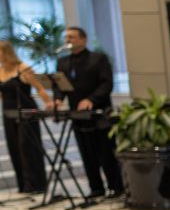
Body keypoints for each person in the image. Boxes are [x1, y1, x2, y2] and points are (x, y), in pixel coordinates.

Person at [54, 26, 123, 199]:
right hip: (77, 115)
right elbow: (60, 86)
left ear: (83, 40)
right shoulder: (63, 62)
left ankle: (115, 186)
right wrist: (58, 99)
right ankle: (96, 188)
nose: (68, 40)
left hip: (99, 113)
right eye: (66, 37)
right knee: (86, 152)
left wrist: (91, 99)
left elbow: (107, 84)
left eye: (72, 37)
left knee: (106, 152)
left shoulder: (97, 59)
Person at [0, 40, 53, 194]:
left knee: (27, 147)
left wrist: (48, 103)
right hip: (8, 113)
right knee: (14, 148)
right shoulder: (1, 70)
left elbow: (40, 88)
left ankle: (35, 184)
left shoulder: (22, 68)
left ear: (6, 52)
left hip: (27, 111)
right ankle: (23, 185)